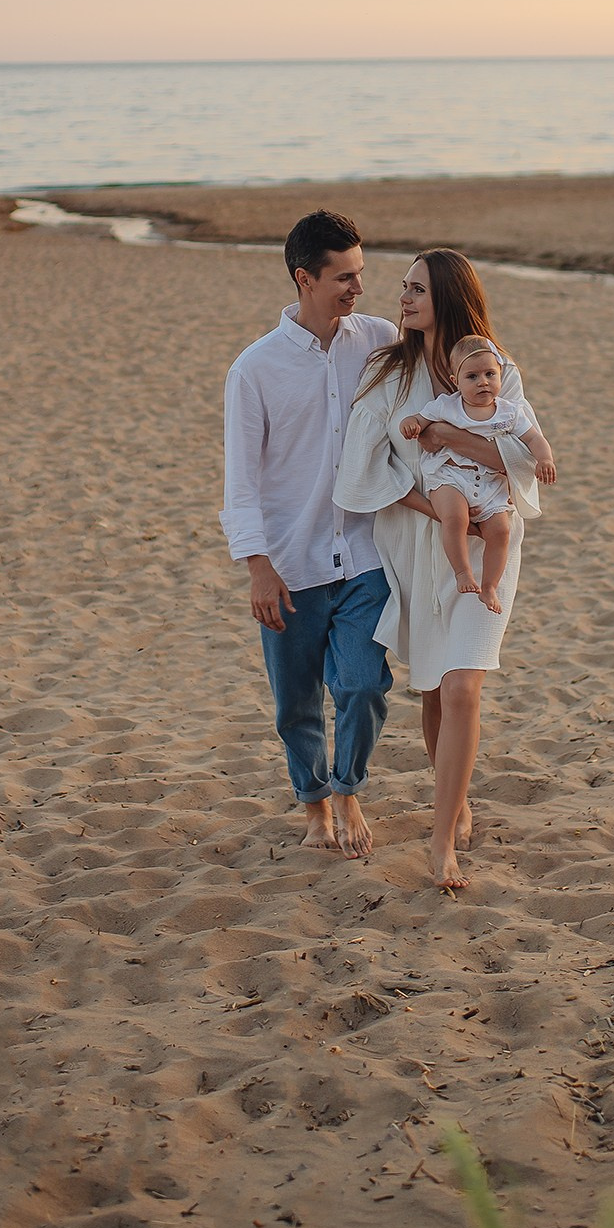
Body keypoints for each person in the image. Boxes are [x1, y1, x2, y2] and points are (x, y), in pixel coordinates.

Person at [333, 250, 545, 890]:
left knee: (461, 687)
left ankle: (440, 837)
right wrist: (436, 508)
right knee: (431, 687)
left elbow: (522, 456)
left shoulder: (492, 368)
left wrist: (447, 440)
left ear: (449, 295)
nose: (402, 297)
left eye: (417, 288)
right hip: (418, 545)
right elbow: (363, 468)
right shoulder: (388, 371)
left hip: (488, 548)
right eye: (402, 287)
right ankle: (454, 799)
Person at [221, 210, 398, 857]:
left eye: (361, 273)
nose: (358, 288)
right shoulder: (254, 370)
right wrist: (256, 565)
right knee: (295, 704)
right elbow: (240, 481)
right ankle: (315, 807)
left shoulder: (378, 339)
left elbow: (448, 366)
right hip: (291, 563)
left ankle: (348, 786)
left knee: (361, 684)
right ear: (305, 278)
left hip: (364, 554)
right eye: (345, 277)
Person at [399, 334, 556, 614]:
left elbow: (534, 439)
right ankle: (462, 572)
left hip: (490, 485)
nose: (483, 382)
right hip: (451, 477)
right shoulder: (447, 405)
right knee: (455, 517)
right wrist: (411, 424)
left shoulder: (510, 412)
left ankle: (490, 586)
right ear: (455, 381)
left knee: (500, 531)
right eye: (472, 377)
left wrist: (544, 458)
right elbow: (420, 420)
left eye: (489, 374)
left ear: (499, 375)